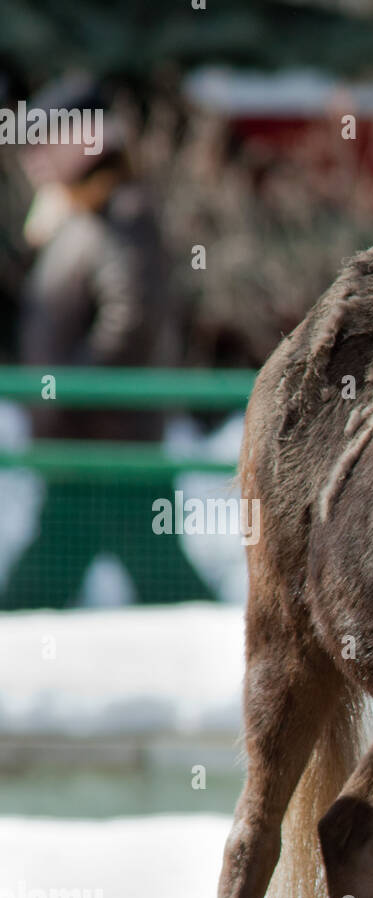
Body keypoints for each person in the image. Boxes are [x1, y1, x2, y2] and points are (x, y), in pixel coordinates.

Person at [1, 74, 210, 608]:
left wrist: (62, 391)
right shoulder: (79, 217)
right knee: (146, 574)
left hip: (108, 445)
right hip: (85, 446)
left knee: (65, 578)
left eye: (46, 138)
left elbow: (130, 323)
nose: (32, 154)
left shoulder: (123, 217)